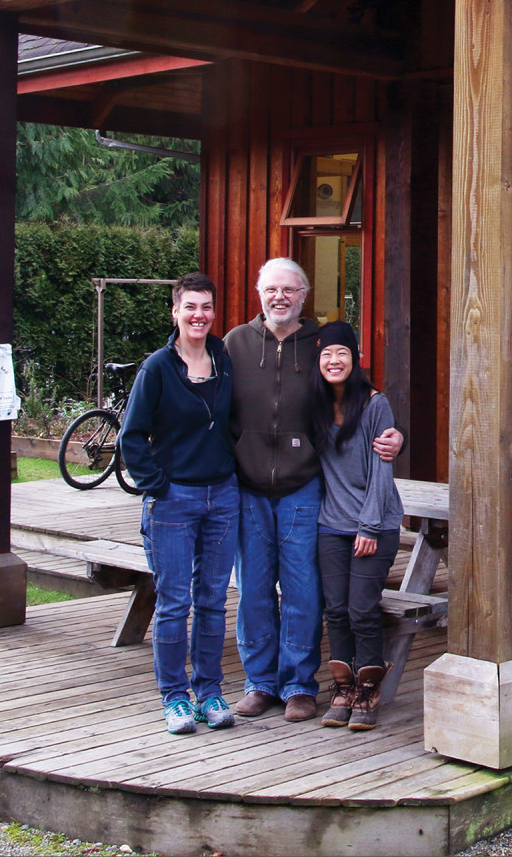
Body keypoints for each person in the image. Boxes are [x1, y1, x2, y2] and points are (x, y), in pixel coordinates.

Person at [224, 257, 403, 722]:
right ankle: (261, 683)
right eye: (271, 289)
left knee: (304, 593)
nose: (279, 297)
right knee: (255, 592)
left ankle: (300, 684)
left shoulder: (317, 344)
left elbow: (355, 397)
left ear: (304, 295)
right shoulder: (236, 344)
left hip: (305, 490)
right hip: (249, 490)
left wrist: (394, 436)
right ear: (259, 294)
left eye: (289, 289)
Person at [119, 273, 239, 736]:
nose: (199, 315)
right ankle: (174, 697)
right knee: (174, 603)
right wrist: (159, 487)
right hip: (174, 501)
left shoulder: (223, 359)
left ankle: (209, 691)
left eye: (206, 307)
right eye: (190, 307)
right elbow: (132, 437)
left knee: (212, 600)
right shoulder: (157, 368)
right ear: (175, 312)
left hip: (223, 497)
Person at [311, 320, 403, 731]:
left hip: (374, 524)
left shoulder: (373, 403)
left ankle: (368, 687)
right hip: (330, 524)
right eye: (327, 354)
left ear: (355, 359)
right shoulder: (312, 405)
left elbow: (383, 470)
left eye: (342, 353)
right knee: (335, 609)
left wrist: (368, 526)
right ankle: (343, 686)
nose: (334, 361)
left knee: (362, 608)